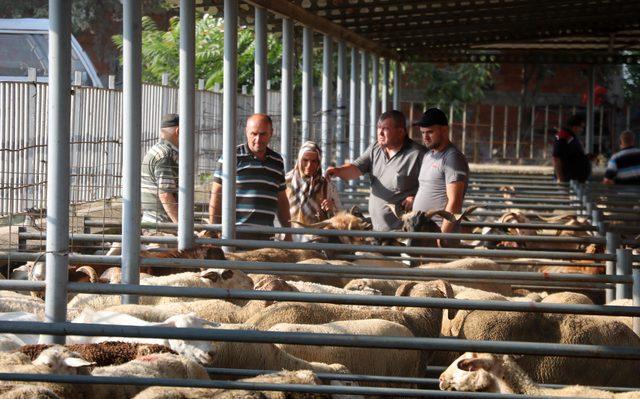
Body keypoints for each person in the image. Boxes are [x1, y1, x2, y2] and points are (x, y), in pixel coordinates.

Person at [325, 110, 426, 231]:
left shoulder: (418, 154)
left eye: (386, 129)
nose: (380, 133)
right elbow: (355, 169)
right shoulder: (375, 149)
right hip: (377, 230)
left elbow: (433, 186)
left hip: (404, 233)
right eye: (379, 128)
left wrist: (416, 197)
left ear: (401, 132)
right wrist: (337, 171)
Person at [208, 113, 291, 240]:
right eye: (254, 134)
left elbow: (282, 200)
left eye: (263, 134)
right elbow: (217, 194)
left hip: (266, 237)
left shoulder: (277, 161)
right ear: (246, 132)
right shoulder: (231, 157)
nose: (258, 139)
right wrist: (214, 230)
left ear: (271, 133)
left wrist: (288, 232)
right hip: (235, 236)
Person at [412, 108, 469, 239]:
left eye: (430, 132)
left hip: (438, 233)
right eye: (422, 132)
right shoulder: (428, 155)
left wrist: (442, 236)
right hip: (423, 232)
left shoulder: (452, 158)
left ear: (444, 130)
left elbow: (455, 201)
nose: (425, 137)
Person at [286, 141, 342, 227]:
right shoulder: (286, 182)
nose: (309, 165)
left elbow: (340, 216)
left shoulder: (326, 185)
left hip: (317, 237)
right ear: (299, 160)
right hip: (289, 235)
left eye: (314, 161)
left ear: (319, 163)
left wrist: (331, 208)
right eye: (305, 160)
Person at [141, 113, 180, 224]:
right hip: (160, 223)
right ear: (179, 131)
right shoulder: (166, 155)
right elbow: (165, 194)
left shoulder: (157, 149)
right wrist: (181, 228)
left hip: (151, 219)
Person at [552, 114, 591, 182]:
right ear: (575, 127)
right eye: (581, 127)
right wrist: (561, 179)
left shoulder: (571, 137)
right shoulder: (563, 137)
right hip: (567, 180)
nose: (582, 130)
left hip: (574, 180)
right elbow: (556, 158)